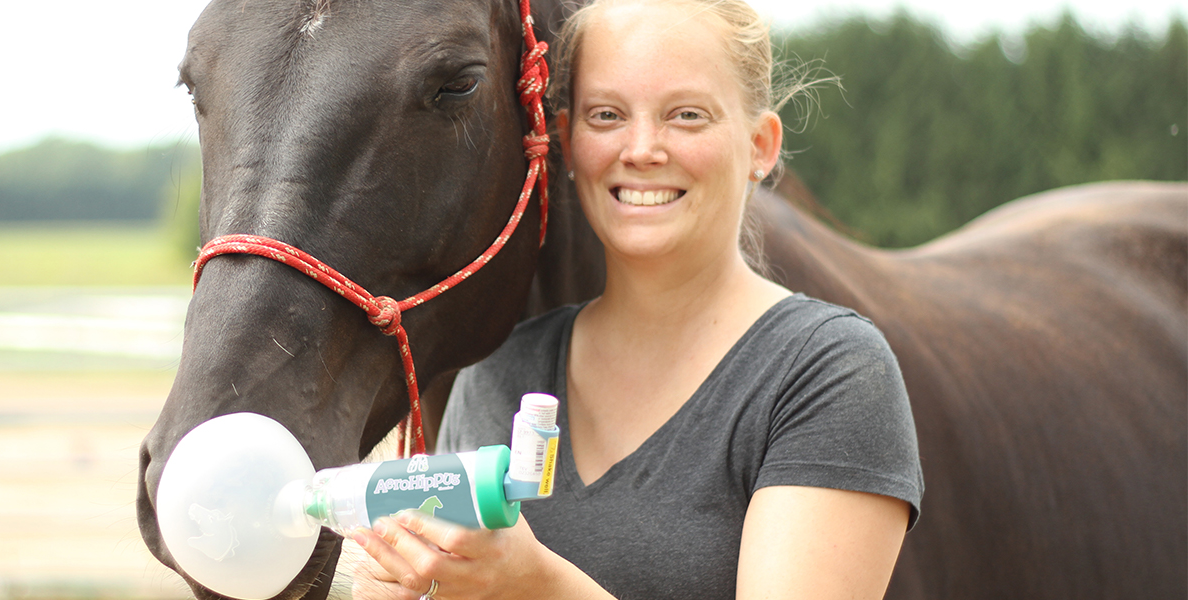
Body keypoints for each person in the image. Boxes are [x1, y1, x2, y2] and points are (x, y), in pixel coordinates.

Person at [340, 0, 923, 598]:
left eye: (687, 115)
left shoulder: (830, 374)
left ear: (760, 146)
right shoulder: (499, 373)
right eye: (607, 115)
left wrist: (539, 586)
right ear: (565, 141)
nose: (642, 148)